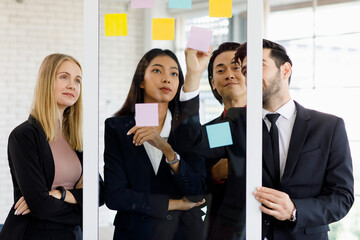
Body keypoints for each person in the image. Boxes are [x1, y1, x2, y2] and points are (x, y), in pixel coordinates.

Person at [175, 39, 354, 240]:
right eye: (245, 71)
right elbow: (191, 142)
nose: (249, 75)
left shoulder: (328, 128)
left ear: (285, 70)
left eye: (258, 66)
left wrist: (295, 209)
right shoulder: (237, 124)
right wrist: (193, 74)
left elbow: (341, 198)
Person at [103, 48, 211, 240]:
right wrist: (174, 203)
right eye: (157, 71)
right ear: (141, 81)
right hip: (136, 234)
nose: (166, 78)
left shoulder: (188, 129)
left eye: (174, 73)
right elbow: (115, 196)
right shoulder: (117, 128)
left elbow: (196, 193)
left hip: (183, 233)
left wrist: (168, 151)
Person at [0, 53, 84, 240]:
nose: (72, 85)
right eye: (64, 77)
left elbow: (100, 193)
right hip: (34, 234)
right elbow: (41, 206)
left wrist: (60, 195)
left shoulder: (76, 139)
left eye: (78, 80)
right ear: (47, 81)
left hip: (72, 234)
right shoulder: (24, 135)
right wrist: (80, 203)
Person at [203, 42, 247, 239]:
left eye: (236, 67)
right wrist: (213, 173)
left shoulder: (271, 122)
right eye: (221, 70)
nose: (229, 74)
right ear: (213, 82)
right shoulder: (212, 130)